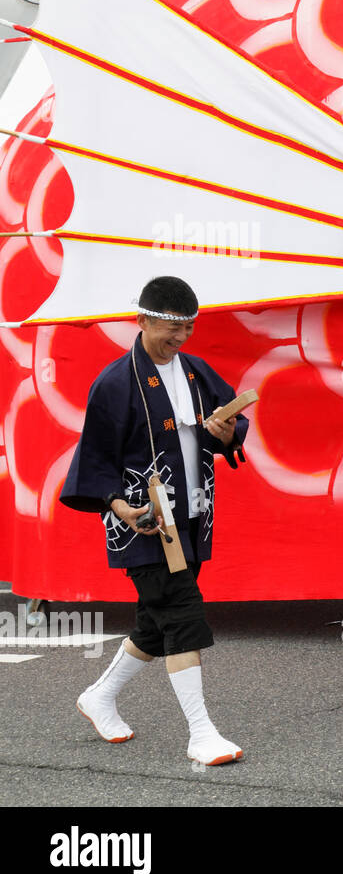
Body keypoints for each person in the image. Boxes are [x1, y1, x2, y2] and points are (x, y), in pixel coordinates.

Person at [61, 276, 248, 766]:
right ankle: (201, 733)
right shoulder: (115, 382)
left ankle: (98, 697)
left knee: (155, 620)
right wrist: (119, 506)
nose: (180, 338)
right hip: (144, 521)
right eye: (171, 327)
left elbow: (232, 427)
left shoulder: (196, 370)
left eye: (188, 328)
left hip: (191, 514)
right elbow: (95, 460)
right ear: (141, 320)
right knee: (182, 614)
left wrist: (228, 431)